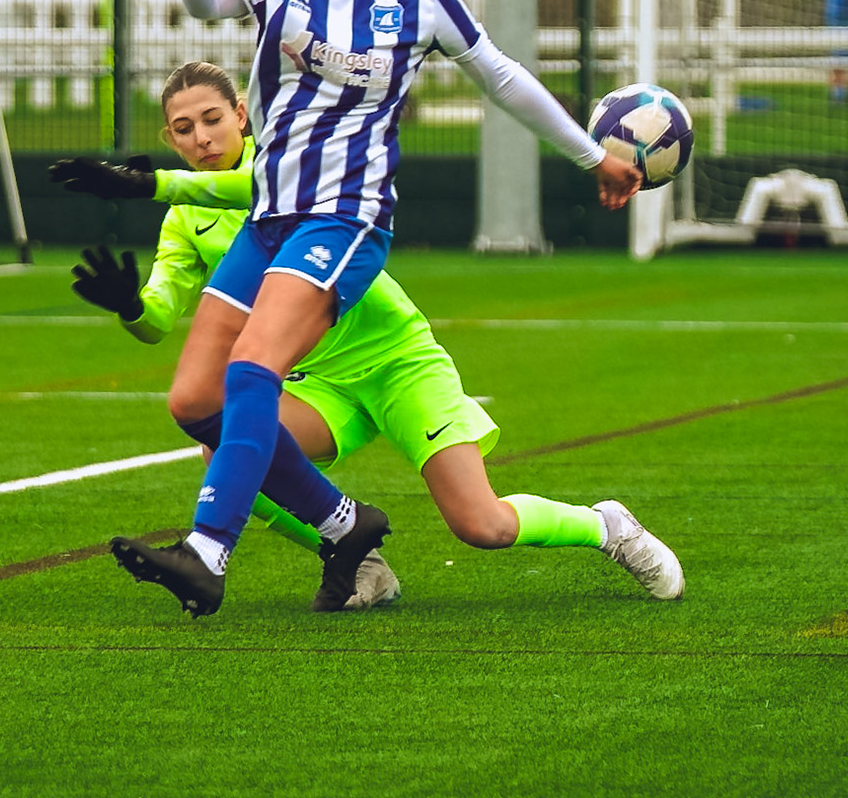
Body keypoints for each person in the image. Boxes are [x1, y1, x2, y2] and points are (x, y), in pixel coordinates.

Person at [106, 0, 642, 618]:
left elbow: (503, 78)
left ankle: (207, 552)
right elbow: (203, 2)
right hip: (273, 218)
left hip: (347, 219)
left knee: (254, 369)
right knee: (195, 401)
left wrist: (593, 155)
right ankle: (343, 524)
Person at [53, 63, 683, 613]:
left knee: (481, 524)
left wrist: (152, 183)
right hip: (320, 383)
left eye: (212, 119)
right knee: (223, 445)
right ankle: (359, 558)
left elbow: (255, 191)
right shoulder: (184, 221)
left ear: (242, 115)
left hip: (396, 360)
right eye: (184, 129)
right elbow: (157, 319)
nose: (202, 138)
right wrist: (129, 306)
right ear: (169, 138)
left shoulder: (285, 161)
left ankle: (605, 527)